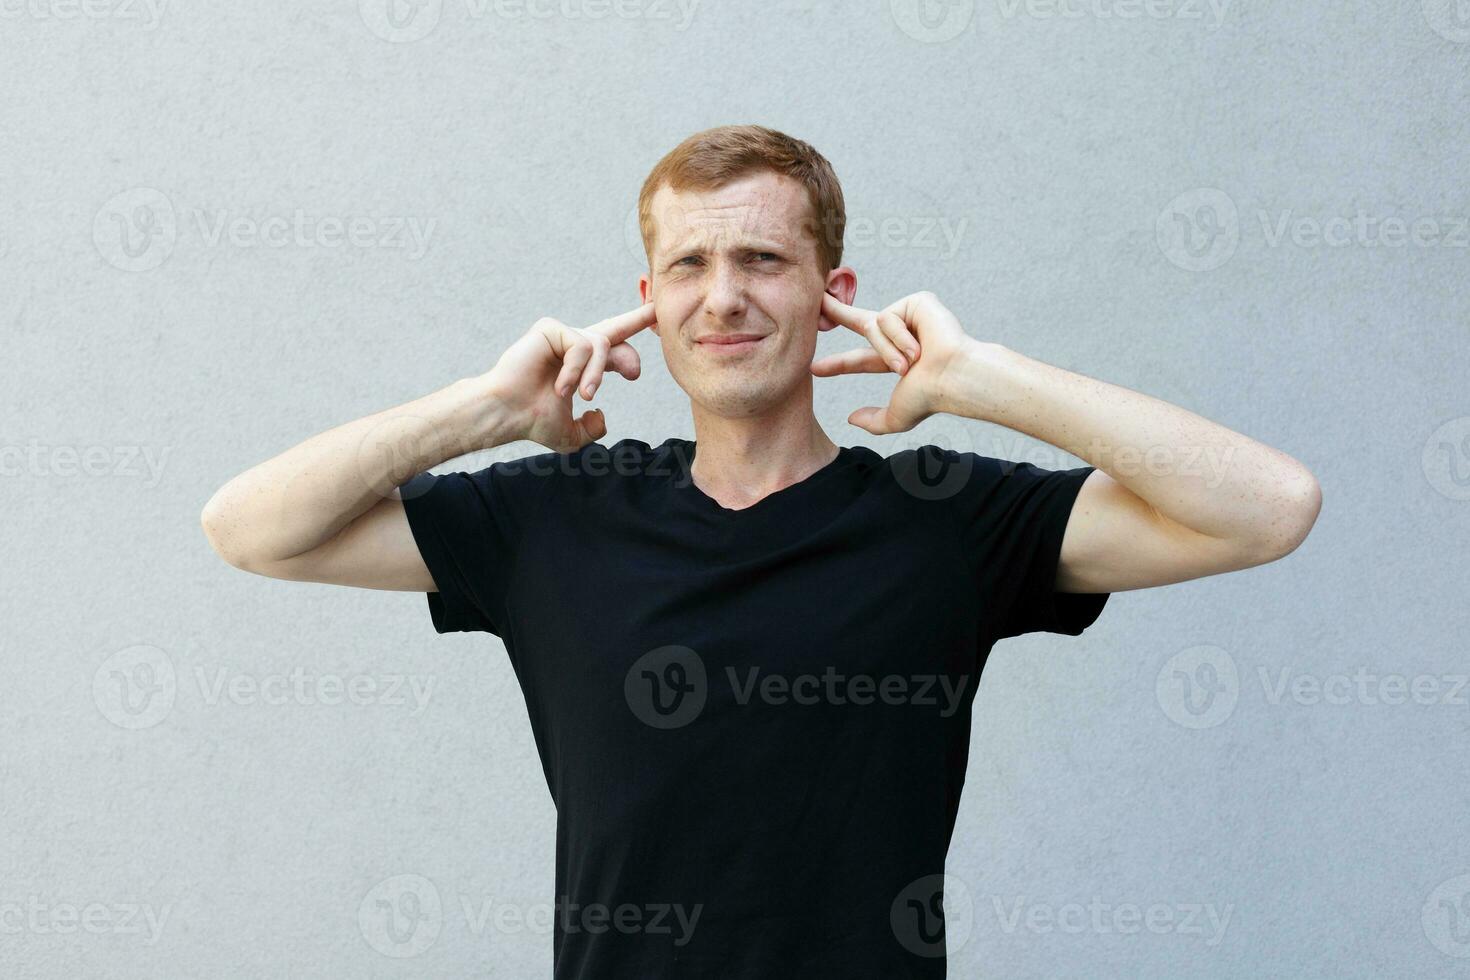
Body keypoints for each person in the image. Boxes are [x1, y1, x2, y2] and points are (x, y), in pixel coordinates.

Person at [200, 124, 1321, 978]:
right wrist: (481, 409)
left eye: (762, 260)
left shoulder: (949, 516)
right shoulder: (555, 516)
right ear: (648, 300)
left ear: (835, 295)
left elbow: (1269, 505)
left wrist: (980, 376)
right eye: (689, 265)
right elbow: (247, 527)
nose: (723, 296)